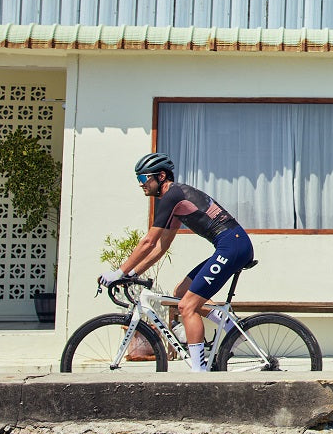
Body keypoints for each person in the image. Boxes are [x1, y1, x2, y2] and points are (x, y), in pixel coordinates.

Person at [99, 153, 254, 372]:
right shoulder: (174, 201)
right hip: (232, 245)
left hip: (233, 246)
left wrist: (118, 272)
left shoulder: (173, 195)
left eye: (143, 179)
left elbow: (148, 242)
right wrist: (132, 273)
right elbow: (161, 247)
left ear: (161, 176)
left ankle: (199, 370)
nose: (140, 185)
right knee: (181, 292)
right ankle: (232, 328)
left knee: (186, 306)